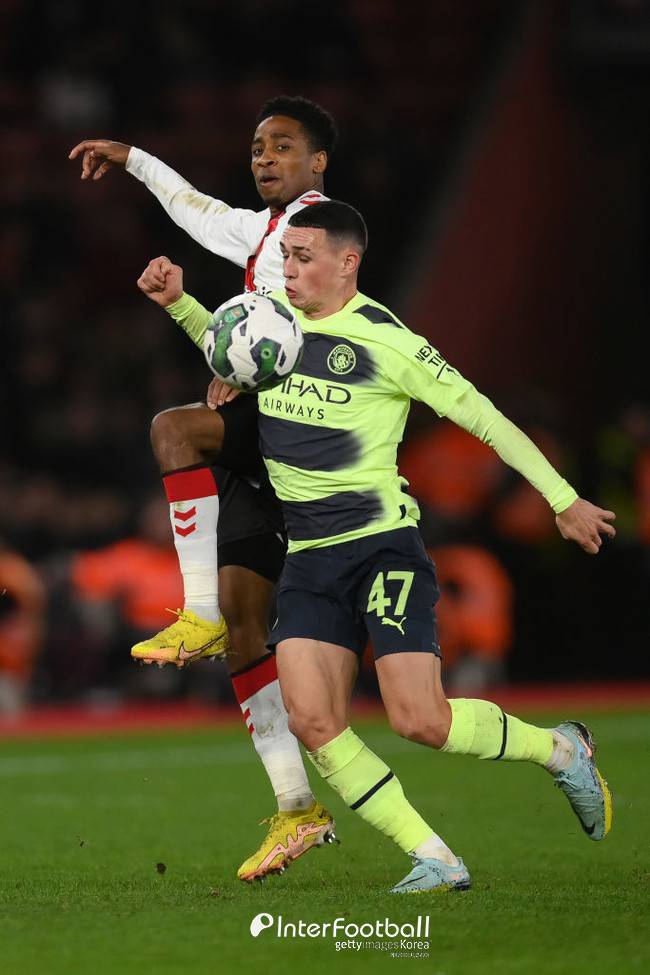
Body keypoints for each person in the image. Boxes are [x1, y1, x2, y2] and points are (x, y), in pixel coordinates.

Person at [136, 199, 615, 893]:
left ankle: (562, 750)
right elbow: (234, 346)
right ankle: (434, 856)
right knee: (311, 718)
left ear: (346, 262)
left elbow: (483, 416)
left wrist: (562, 498)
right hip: (310, 558)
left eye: (302, 258)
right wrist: (181, 305)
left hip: (380, 548)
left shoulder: (388, 342)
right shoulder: (275, 323)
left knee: (421, 719)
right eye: (284, 255)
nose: (286, 269)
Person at [68, 96, 338, 881]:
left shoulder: (327, 231)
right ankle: (298, 808)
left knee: (174, 431)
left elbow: (320, 324)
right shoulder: (263, 230)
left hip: (307, 436)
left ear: (318, 162)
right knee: (250, 633)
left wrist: (243, 367)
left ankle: (198, 612)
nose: (264, 158)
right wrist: (133, 158)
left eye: (282, 146)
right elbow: (194, 207)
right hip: (267, 442)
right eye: (256, 147)